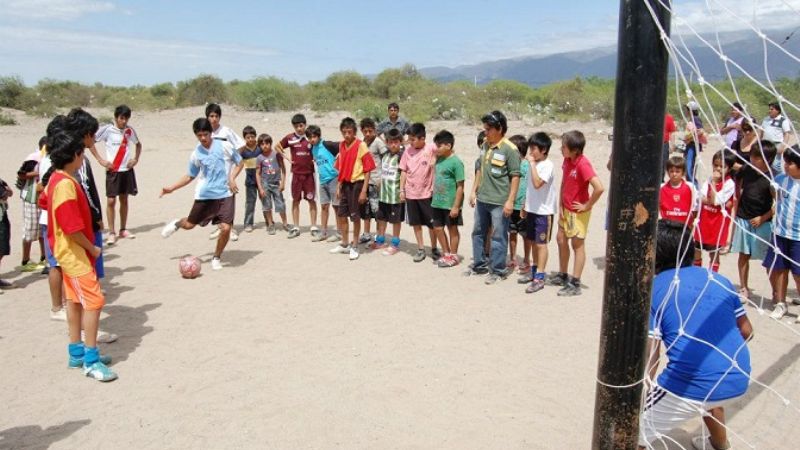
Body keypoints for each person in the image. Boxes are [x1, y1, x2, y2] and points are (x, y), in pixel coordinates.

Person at [637, 219, 752, 450]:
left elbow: (651, 355)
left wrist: (645, 393)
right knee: (711, 397)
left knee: (631, 434)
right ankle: (720, 444)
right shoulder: (719, 279)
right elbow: (747, 331)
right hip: (739, 377)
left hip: (692, 385)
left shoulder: (656, 288)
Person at [44, 130, 117, 382]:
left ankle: (76, 352)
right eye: (82, 153)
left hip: (67, 253)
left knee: (75, 302)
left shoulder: (57, 178)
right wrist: (92, 248)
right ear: (75, 156)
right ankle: (91, 359)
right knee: (94, 302)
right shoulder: (64, 184)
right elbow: (71, 227)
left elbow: (44, 201)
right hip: (74, 254)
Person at [160, 118, 243, 271]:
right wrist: (172, 188)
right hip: (205, 195)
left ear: (211, 133)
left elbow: (240, 162)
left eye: (205, 134)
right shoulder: (196, 153)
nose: (203, 138)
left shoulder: (225, 145)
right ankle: (178, 223)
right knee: (190, 225)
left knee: (225, 228)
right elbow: (190, 176)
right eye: (199, 135)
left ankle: (216, 257)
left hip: (225, 193)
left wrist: (231, 178)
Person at [466, 111, 522, 284]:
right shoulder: (484, 145)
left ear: (499, 129)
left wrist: (510, 201)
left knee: (498, 235)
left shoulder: (510, 149)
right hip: (483, 198)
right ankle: (480, 264)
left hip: (499, 201)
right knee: (478, 232)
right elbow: (480, 170)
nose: (486, 132)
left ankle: (498, 270)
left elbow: (515, 176)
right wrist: (473, 191)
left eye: (489, 129)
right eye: (485, 128)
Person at [548, 130, 605, 296]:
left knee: (577, 245)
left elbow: (599, 187)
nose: (561, 149)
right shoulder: (567, 160)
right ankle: (563, 274)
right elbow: (564, 182)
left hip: (577, 212)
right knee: (560, 239)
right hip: (565, 209)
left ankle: (575, 282)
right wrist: (560, 205)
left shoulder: (583, 164)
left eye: (564, 147)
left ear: (575, 150)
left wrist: (587, 205)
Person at [731, 140, 776, 300]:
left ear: (767, 159)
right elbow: (737, 182)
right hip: (744, 219)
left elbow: (779, 204)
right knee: (743, 255)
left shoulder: (773, 176)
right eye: (751, 157)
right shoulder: (746, 170)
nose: (753, 160)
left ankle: (776, 293)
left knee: (769, 259)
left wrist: (763, 218)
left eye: (757, 158)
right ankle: (744, 288)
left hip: (762, 222)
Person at [90, 105, 141, 245]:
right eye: (121, 118)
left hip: (126, 170)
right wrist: (101, 160)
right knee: (111, 201)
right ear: (116, 117)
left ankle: (123, 229)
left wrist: (135, 159)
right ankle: (111, 232)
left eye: (126, 118)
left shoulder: (129, 131)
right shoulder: (107, 130)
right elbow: (91, 142)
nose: (124, 121)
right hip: (113, 171)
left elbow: (138, 145)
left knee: (124, 199)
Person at [762, 144, 800, 322]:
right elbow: (773, 192)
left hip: (798, 237)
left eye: (790, 163)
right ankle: (781, 303)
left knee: (798, 273)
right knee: (779, 269)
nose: (785, 165)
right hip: (780, 233)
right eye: (785, 162)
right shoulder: (780, 179)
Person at [329, 117, 376, 261]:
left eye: (349, 132)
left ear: (354, 132)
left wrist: (363, 191)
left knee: (355, 216)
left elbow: (368, 169)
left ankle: (355, 245)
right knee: (342, 215)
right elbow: (341, 166)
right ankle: (344, 242)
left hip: (357, 185)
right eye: (344, 132)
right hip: (345, 184)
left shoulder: (361, 145)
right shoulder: (342, 145)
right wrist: (338, 185)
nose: (347, 135)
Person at [518, 132, 556, 294]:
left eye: (534, 149)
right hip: (532, 210)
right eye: (530, 148)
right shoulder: (534, 164)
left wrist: (532, 165)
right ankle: (534, 271)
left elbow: (538, 183)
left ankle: (540, 277)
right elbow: (529, 187)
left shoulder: (548, 165)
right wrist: (524, 205)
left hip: (544, 212)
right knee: (532, 242)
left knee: (541, 244)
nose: (531, 152)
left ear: (544, 150)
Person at [399, 123, 439, 263]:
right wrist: (401, 189)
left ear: (423, 138)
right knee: (416, 223)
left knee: (432, 224)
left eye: (413, 139)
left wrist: (436, 158)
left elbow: (445, 150)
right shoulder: (407, 151)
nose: (411, 142)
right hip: (411, 194)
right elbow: (403, 170)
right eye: (409, 139)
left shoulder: (431, 148)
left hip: (427, 194)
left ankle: (434, 248)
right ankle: (421, 248)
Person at [276, 113, 318, 239]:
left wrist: (315, 158)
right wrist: (287, 158)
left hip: (310, 174)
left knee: (312, 200)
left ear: (305, 124)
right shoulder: (290, 138)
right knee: (295, 201)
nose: (299, 128)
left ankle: (314, 226)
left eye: (301, 125)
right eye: (296, 126)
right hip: (296, 174)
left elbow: (319, 148)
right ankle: (296, 227)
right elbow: (277, 146)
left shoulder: (311, 136)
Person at [693, 151, 736, 273]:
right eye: (715, 165)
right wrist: (710, 199)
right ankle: (697, 274)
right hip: (704, 220)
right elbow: (700, 197)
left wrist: (713, 185)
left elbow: (715, 201)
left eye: (722, 166)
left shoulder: (729, 184)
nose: (718, 169)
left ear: (729, 168)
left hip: (717, 224)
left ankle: (712, 277)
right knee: (697, 250)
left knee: (714, 253)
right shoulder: (709, 179)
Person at [205, 103, 243, 242]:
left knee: (229, 201)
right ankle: (221, 226)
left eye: (216, 116)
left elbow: (241, 145)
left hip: (227, 172)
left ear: (219, 117)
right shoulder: (206, 133)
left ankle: (231, 228)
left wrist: (234, 161)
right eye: (211, 116)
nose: (213, 119)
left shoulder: (226, 131)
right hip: (212, 173)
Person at [430, 130, 465, 268]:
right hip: (437, 202)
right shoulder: (439, 159)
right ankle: (446, 253)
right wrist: (436, 154)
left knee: (452, 229)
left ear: (449, 146)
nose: (436, 148)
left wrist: (456, 206)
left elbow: (460, 186)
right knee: (437, 228)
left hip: (450, 204)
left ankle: (454, 255)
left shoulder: (456, 162)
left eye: (439, 145)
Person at [16, 137, 46, 272]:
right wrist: (38, 173)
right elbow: (21, 174)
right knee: (30, 231)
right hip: (31, 199)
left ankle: (44, 257)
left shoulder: (48, 159)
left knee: (42, 230)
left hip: (43, 200)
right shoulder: (33, 158)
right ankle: (25, 260)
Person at [373, 128, 405, 256]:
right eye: (390, 142)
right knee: (382, 218)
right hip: (383, 194)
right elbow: (383, 171)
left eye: (396, 142)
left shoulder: (402, 156)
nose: (393, 145)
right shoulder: (385, 155)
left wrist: (403, 190)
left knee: (395, 220)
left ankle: (395, 243)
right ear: (386, 142)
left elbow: (404, 174)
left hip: (395, 195)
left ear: (400, 142)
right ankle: (380, 240)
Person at [306, 125, 341, 242]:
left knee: (337, 207)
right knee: (324, 206)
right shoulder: (312, 149)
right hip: (322, 181)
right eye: (310, 137)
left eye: (314, 137)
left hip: (334, 178)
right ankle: (324, 232)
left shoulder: (327, 144)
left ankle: (340, 232)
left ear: (319, 136)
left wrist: (340, 159)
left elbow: (343, 146)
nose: (312, 139)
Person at [360, 118, 387, 245]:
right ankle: (366, 234)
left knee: (377, 210)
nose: (368, 134)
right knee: (365, 210)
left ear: (374, 131)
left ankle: (379, 236)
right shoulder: (362, 143)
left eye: (370, 131)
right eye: (365, 131)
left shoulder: (378, 143)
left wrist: (383, 178)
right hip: (365, 181)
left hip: (377, 181)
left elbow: (386, 159)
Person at [255, 133, 288, 234]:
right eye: (262, 144)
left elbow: (283, 169)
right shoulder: (259, 158)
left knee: (281, 204)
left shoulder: (276, 154)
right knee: (267, 205)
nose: (265, 146)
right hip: (265, 184)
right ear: (259, 146)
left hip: (276, 183)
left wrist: (283, 183)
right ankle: (270, 224)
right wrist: (260, 188)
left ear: (270, 143)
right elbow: (258, 174)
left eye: (267, 143)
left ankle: (285, 223)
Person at [507, 134, 530, 273]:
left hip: (523, 207)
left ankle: (527, 259)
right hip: (510, 205)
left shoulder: (527, 166)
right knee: (512, 233)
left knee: (526, 235)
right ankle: (513, 258)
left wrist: (525, 204)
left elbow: (529, 186)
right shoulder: (509, 165)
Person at [659, 155, 696, 226]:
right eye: (671, 171)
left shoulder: (691, 187)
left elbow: (695, 208)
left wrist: (691, 225)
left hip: (684, 227)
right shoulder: (661, 188)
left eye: (677, 171)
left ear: (683, 172)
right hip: (667, 227)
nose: (674, 174)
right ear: (667, 172)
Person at [239, 125, 261, 232]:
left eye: (252, 136)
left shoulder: (260, 148)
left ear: (255, 137)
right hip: (250, 181)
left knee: (265, 201)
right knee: (250, 203)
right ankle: (248, 223)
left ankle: (269, 221)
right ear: (245, 138)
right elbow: (236, 162)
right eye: (248, 137)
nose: (251, 139)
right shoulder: (243, 151)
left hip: (262, 180)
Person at [683, 101, 706, 183]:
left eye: (687, 109)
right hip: (690, 145)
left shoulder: (695, 119)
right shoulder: (692, 119)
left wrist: (688, 138)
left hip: (692, 146)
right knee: (688, 166)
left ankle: (694, 185)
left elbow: (700, 131)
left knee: (689, 167)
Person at [0, 176, 12, 290]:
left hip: (2, 215)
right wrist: (6, 192)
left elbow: (9, 192)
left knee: (2, 248)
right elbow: (5, 193)